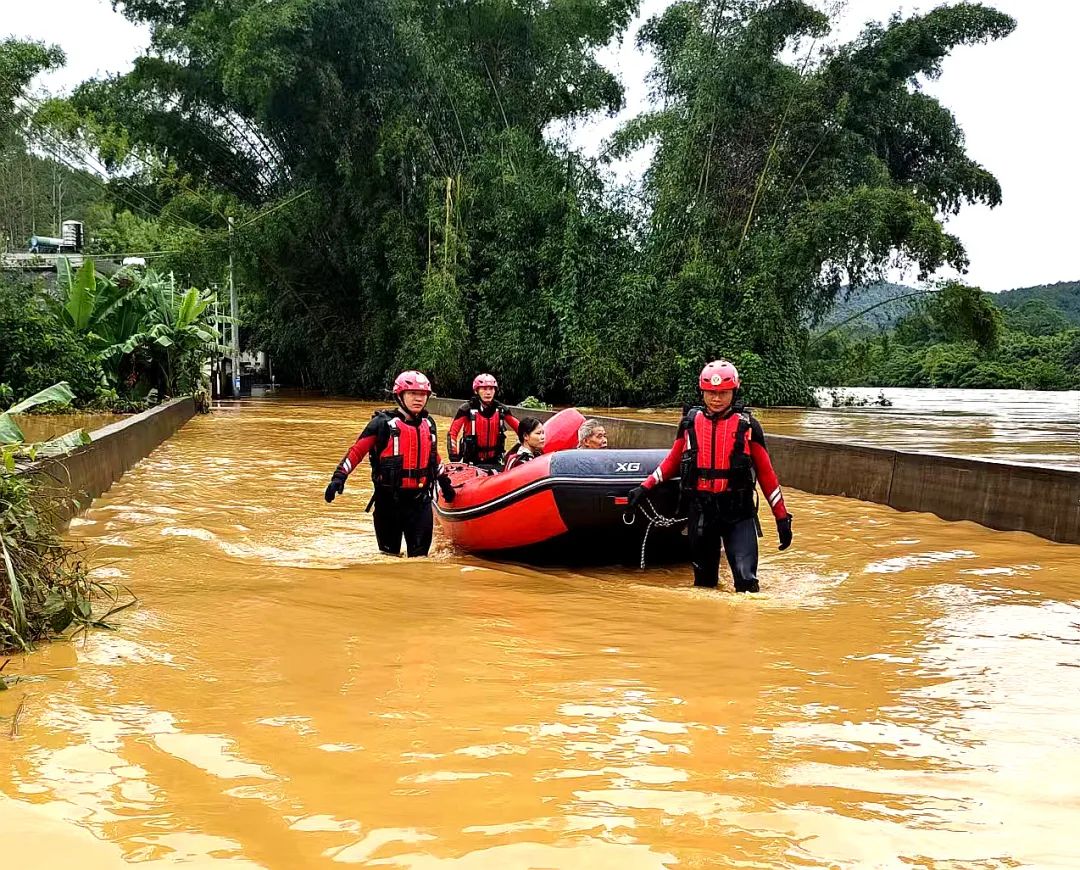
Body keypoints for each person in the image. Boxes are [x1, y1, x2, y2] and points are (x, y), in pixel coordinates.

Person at [629, 360, 793, 592]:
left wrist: (782, 519)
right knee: (704, 585)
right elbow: (672, 461)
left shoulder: (749, 426)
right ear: (702, 392)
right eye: (711, 393)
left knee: (747, 584)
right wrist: (644, 487)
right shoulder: (689, 424)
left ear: (734, 392)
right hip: (702, 512)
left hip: (738, 512)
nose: (716, 399)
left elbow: (767, 475)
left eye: (723, 393)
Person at [323, 370, 455, 557]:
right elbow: (357, 452)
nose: (418, 398)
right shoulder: (381, 424)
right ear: (400, 395)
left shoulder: (428, 424)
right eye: (412, 393)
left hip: (420, 503)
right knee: (389, 558)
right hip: (388, 504)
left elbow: (433, 457)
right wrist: (339, 478)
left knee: (420, 561)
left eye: (423, 394)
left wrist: (445, 484)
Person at [446, 373, 520, 468]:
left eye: (491, 389)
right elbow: (452, 433)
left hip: (495, 460)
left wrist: (523, 446)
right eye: (484, 389)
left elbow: (521, 429)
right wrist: (454, 456)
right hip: (472, 462)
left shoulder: (501, 409)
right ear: (476, 391)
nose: (488, 393)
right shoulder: (466, 409)